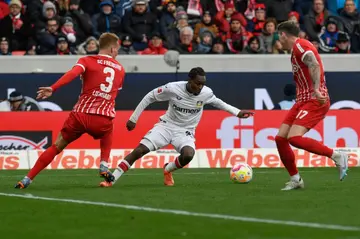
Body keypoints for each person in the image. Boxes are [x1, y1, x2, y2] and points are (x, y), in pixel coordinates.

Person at [99, 67, 254, 187]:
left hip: (185, 132)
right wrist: (133, 118)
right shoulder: (172, 88)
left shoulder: (206, 93)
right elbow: (149, 97)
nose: (200, 87)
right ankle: (111, 180)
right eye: (197, 83)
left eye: (202, 84)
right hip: (166, 126)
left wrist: (238, 112)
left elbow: (219, 103)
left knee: (188, 155)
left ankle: (168, 169)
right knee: (139, 151)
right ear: (190, 80)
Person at [15, 33, 125, 189]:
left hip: (80, 115)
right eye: (117, 50)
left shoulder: (86, 60)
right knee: (108, 130)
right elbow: (114, 92)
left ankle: (27, 179)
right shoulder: (120, 69)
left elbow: (73, 74)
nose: (117, 53)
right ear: (113, 48)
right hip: (102, 118)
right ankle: (103, 165)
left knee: (56, 146)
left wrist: (53, 88)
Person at [275, 21, 349, 191]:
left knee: (294, 138)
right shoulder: (296, 50)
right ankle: (296, 179)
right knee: (280, 139)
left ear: (284, 34)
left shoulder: (300, 45)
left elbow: (313, 63)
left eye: (279, 36)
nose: (279, 40)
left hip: (314, 100)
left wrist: (316, 89)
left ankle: (337, 156)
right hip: (302, 100)